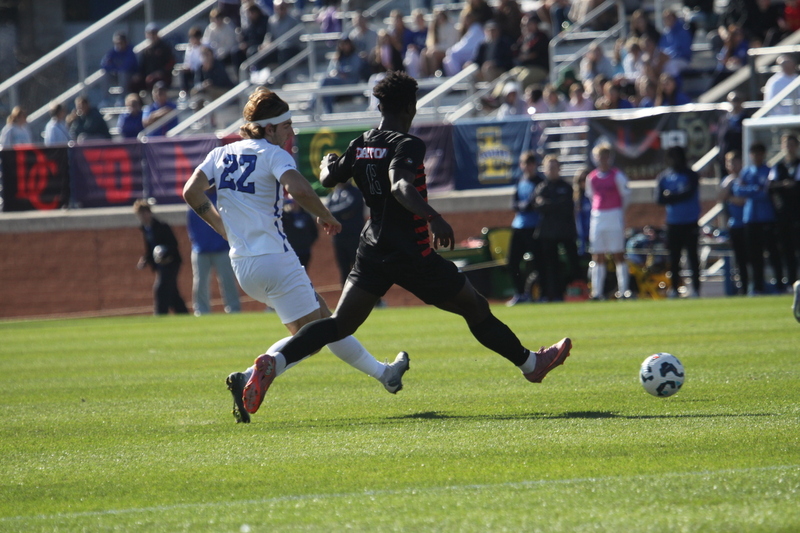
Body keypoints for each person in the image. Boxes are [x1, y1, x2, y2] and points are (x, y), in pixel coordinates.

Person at [240, 71, 572, 416]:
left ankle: (273, 362)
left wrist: (327, 165)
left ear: (380, 105)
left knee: (340, 324)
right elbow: (400, 187)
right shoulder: (407, 144)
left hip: (372, 250)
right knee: (475, 307)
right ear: (411, 107)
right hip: (412, 253)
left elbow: (329, 178)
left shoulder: (361, 142)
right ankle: (532, 364)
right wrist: (433, 216)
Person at [182, 86, 409, 423]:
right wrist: (327, 215)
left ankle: (384, 375)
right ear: (268, 127)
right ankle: (256, 372)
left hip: (243, 266)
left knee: (321, 325)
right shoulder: (272, 153)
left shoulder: (219, 154)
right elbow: (299, 188)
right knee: (321, 332)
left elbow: (191, 191)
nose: (291, 131)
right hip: (275, 258)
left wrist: (225, 231)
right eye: (286, 124)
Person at [732, 142, 784, 294]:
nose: (756, 156)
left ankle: (780, 285)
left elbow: (767, 191)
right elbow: (738, 190)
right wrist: (755, 190)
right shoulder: (746, 172)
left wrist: (751, 192)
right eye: (753, 153)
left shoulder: (769, 171)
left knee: (773, 253)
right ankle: (757, 286)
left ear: (763, 154)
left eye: (758, 153)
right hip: (750, 218)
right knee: (754, 255)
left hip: (767, 217)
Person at [585, 143, 631, 300]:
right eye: (600, 157)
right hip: (598, 216)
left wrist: (619, 212)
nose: (602, 160)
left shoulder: (617, 175)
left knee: (618, 254)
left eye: (605, 157)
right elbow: (591, 196)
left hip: (614, 216)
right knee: (598, 255)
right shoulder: (591, 177)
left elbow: (625, 196)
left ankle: (624, 291)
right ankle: (597, 292)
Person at [655, 146, 701, 298]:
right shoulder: (664, 177)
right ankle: (674, 288)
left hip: (690, 222)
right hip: (673, 222)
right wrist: (672, 196)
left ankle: (695, 288)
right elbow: (659, 198)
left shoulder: (691, 175)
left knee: (692, 257)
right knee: (674, 258)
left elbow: (688, 193)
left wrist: (671, 196)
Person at [186, 190, 241, 316]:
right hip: (200, 249)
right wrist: (196, 242)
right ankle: (201, 311)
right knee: (200, 282)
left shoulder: (222, 197)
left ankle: (234, 309)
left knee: (228, 281)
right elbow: (191, 224)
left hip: (222, 249)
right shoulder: (196, 198)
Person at [533, 155, 580, 302]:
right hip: (547, 233)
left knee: (573, 263)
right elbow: (539, 206)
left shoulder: (566, 187)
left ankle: (576, 291)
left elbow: (567, 206)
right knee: (550, 266)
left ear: (559, 168)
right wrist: (555, 204)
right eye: (549, 167)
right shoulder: (541, 187)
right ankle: (552, 295)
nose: (552, 170)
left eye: (555, 167)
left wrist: (549, 204)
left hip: (566, 231)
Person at [133, 199, 190, 316]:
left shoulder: (162, 226)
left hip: (171, 263)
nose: (143, 216)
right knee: (173, 293)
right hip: (159, 266)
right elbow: (150, 249)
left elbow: (174, 245)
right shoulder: (146, 229)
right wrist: (146, 259)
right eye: (140, 214)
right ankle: (183, 314)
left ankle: (160, 314)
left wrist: (165, 253)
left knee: (161, 289)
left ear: (149, 213)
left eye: (145, 213)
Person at [506, 151, 543, 306]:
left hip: (534, 227)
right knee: (512, 261)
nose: (527, 167)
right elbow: (515, 203)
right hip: (519, 226)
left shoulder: (540, 182)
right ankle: (520, 293)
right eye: (524, 164)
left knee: (539, 262)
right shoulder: (520, 181)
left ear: (534, 165)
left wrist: (526, 206)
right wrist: (522, 206)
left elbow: (533, 204)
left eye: (530, 163)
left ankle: (542, 293)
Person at [768, 132, 800, 286]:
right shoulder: (778, 167)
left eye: (792, 145)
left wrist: (785, 186)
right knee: (786, 249)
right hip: (782, 214)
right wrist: (786, 185)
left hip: (797, 214)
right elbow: (771, 186)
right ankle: (790, 281)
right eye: (787, 145)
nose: (789, 148)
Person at [719, 150, 749, 294]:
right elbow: (721, 197)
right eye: (728, 162)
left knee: (752, 257)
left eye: (733, 162)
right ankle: (743, 287)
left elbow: (744, 201)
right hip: (734, 224)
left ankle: (755, 286)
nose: (731, 165)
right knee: (739, 259)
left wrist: (730, 198)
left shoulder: (745, 178)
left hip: (749, 223)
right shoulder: (727, 181)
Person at [328, 179, 365, 287]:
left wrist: (331, 213)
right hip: (339, 236)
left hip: (354, 235)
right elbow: (328, 207)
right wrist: (334, 213)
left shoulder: (355, 192)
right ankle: (346, 296)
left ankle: (372, 298)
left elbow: (351, 206)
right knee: (343, 267)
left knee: (358, 266)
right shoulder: (335, 193)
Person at [132, 23, 176, 93]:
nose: (152, 35)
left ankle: (155, 101)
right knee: (134, 84)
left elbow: (171, 62)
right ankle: (140, 103)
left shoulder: (165, 47)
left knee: (152, 81)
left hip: (162, 76)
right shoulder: (146, 50)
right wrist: (138, 75)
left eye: (154, 33)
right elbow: (142, 67)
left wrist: (160, 72)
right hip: (148, 76)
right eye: (150, 33)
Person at [100, 31, 138, 106]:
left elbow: (127, 66)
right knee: (104, 73)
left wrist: (114, 67)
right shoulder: (113, 52)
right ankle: (105, 99)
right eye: (116, 43)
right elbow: (103, 64)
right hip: (116, 75)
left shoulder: (130, 51)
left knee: (123, 73)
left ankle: (122, 98)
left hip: (130, 76)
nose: (119, 45)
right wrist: (114, 68)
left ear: (125, 42)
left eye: (120, 43)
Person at [441, 11, 484, 77]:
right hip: (468, 52)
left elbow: (468, 44)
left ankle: (459, 77)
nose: (467, 21)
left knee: (453, 54)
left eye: (468, 19)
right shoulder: (468, 30)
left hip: (473, 52)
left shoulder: (476, 28)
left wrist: (452, 50)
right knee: (446, 61)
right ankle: (453, 78)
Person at [420, 8, 458, 78]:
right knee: (424, 53)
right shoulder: (434, 28)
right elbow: (429, 43)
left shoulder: (451, 27)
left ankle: (434, 75)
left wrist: (435, 49)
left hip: (448, 52)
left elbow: (450, 45)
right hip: (437, 50)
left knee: (433, 54)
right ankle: (426, 76)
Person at [281, 196, 318, 267]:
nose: (294, 203)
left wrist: (307, 242)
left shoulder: (306, 216)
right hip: (290, 251)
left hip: (305, 250)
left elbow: (314, 232)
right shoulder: (285, 216)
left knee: (303, 270)